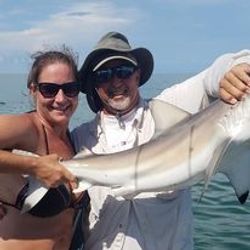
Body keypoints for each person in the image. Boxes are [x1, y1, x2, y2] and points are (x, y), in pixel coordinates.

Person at [71, 31, 250, 250]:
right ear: (94, 85)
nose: (116, 80)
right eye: (104, 75)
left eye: (124, 71)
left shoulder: (170, 104)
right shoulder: (80, 138)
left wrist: (238, 67)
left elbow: (211, 76)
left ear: (137, 75)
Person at [0, 48, 80, 249]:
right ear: (33, 90)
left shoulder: (76, 141)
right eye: (49, 89)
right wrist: (34, 166)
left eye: (70, 88)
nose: (61, 99)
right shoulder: (26, 128)